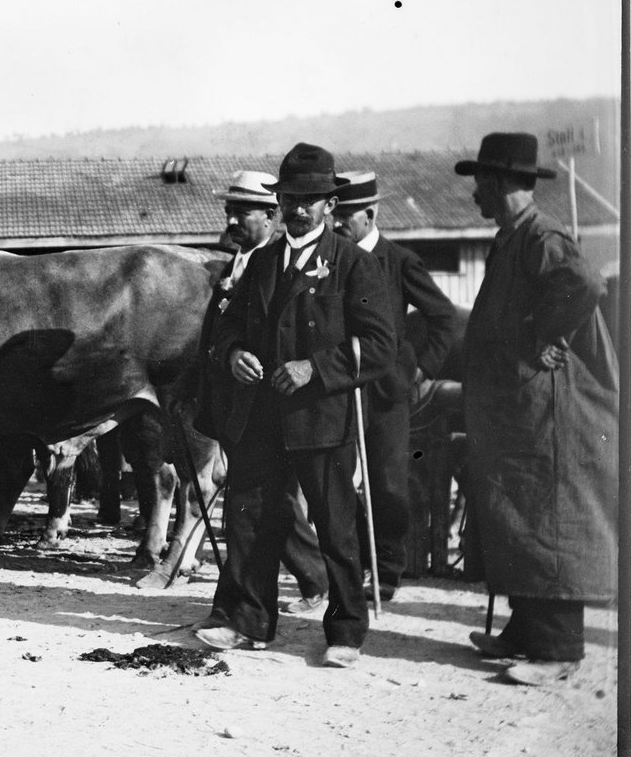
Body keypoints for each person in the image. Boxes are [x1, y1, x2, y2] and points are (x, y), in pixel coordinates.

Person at [191, 143, 395, 669]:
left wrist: (315, 369)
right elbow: (230, 329)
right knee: (252, 522)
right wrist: (234, 354)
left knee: (335, 528)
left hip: (322, 422)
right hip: (260, 419)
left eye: (311, 200)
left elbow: (378, 346)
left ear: (331, 205)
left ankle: (346, 632)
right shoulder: (260, 263)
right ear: (278, 201)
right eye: (289, 199)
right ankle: (250, 623)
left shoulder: (353, 265)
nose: (298, 209)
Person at [454, 132, 618, 686]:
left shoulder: (542, 236)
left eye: (480, 183)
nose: (475, 194)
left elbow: (584, 283)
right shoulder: (513, 237)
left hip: (546, 411)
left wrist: (541, 334)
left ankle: (557, 652)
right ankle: (525, 632)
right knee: (518, 515)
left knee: (548, 518)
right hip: (518, 410)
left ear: (501, 183)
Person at [193, 170, 329, 617]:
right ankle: (305, 583)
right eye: (228, 211)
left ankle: (263, 599)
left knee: (261, 503)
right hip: (234, 403)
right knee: (254, 503)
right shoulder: (237, 263)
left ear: (272, 216)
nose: (231, 221)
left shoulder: (278, 265)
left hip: (273, 408)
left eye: (242, 212)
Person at [331, 171, 459, 602]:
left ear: (370, 214)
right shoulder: (329, 259)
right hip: (337, 388)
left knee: (387, 483)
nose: (337, 223)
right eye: (335, 213)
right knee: (336, 483)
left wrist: (421, 368)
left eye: (346, 215)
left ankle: (386, 571)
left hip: (386, 392)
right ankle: (352, 568)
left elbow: (442, 316)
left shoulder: (400, 261)